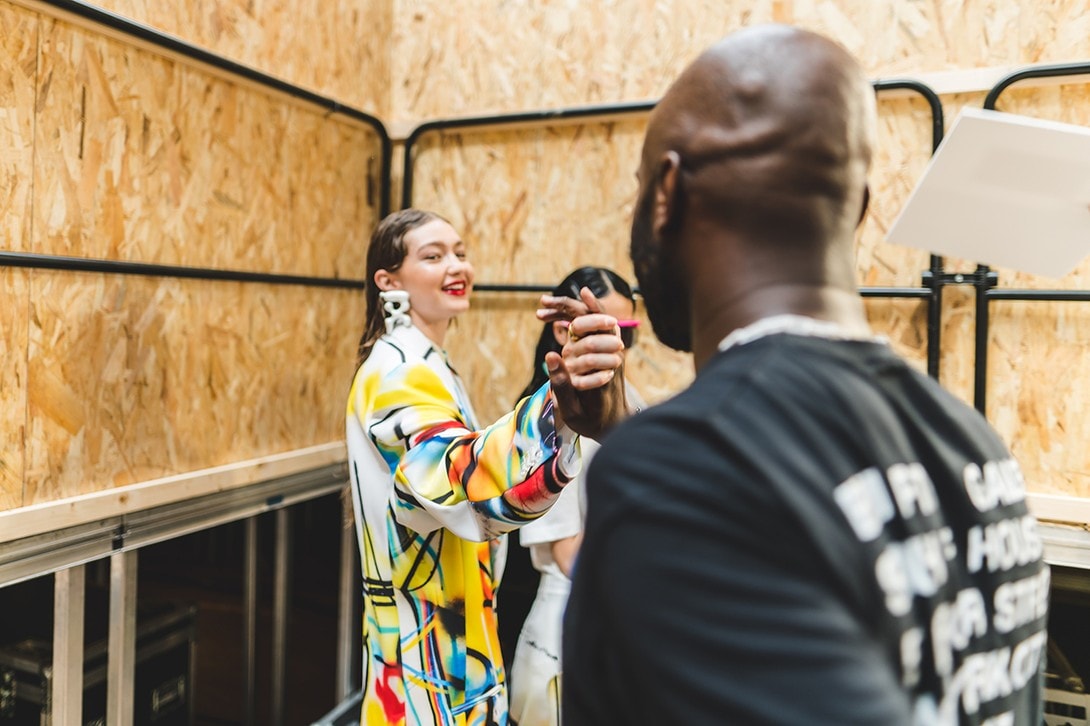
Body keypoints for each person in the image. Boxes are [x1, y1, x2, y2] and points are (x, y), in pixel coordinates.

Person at [562, 25, 1048, 726]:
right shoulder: (972, 445)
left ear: (667, 193)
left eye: (641, 188)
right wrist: (627, 431)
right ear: (855, 210)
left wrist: (655, 451)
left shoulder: (686, 466)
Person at [346, 209, 626, 725]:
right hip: (425, 664)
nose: (456, 266)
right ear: (388, 281)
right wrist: (558, 410)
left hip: (448, 650)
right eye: (433, 256)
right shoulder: (400, 372)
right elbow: (453, 475)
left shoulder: (429, 366)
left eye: (461, 252)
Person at [504, 267, 645, 726]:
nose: (621, 347)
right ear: (564, 330)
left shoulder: (623, 399)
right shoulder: (551, 417)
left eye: (628, 333)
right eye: (611, 331)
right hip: (565, 642)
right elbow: (568, 552)